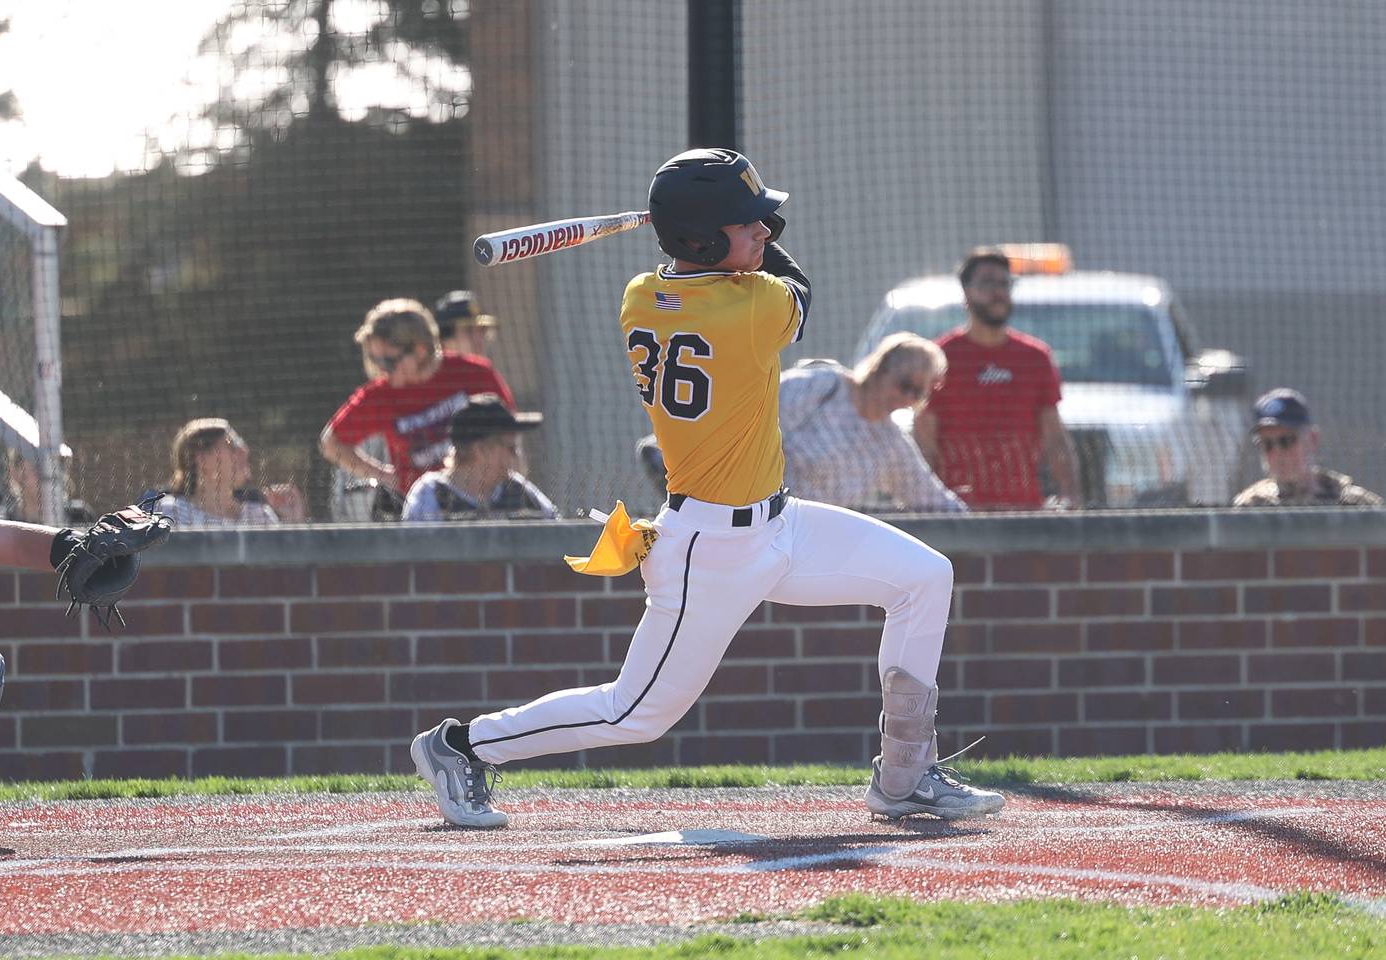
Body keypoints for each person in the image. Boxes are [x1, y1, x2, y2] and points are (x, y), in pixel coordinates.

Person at [409, 147, 1004, 829]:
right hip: (709, 549)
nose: (764, 233)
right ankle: (462, 746)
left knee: (925, 577)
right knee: (634, 714)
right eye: (747, 224)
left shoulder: (641, 297)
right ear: (699, 238)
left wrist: (723, 221)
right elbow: (795, 281)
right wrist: (737, 233)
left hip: (783, 525)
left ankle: (906, 775)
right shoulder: (750, 309)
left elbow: (734, 266)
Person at [636, 334, 967, 513]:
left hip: (812, 547)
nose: (907, 397)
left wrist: (985, 525)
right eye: (905, 384)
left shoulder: (891, 441)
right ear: (879, 368)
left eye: (919, 393)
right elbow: (741, 415)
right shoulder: (822, 388)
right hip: (750, 517)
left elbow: (928, 496)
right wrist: (676, 452)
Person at [914, 247, 1081, 510]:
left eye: (1005, 283)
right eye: (987, 283)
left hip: (1023, 515)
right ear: (966, 293)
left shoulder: (1034, 357)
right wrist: (930, 505)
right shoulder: (940, 358)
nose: (998, 292)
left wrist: (1071, 496)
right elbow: (924, 442)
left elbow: (1054, 437)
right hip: (959, 514)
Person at [320, 298, 515, 514]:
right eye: (375, 361)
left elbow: (511, 433)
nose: (382, 370)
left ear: (421, 350)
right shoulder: (380, 395)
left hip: (483, 502)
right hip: (421, 511)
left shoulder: (474, 374)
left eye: (389, 361)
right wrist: (385, 476)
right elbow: (332, 443)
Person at [402, 393, 557, 521]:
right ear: (482, 450)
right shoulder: (431, 494)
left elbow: (561, 536)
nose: (517, 456)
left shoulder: (521, 491)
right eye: (511, 448)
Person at [1232, 388, 1383, 507]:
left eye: (1286, 441)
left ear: (1312, 439)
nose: (1277, 452)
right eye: (1267, 444)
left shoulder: (1354, 504)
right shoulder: (1250, 507)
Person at [158, 419, 307, 527]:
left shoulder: (260, 515)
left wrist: (292, 523)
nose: (244, 450)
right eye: (231, 446)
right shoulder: (171, 513)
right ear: (202, 460)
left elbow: (282, 569)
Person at [0, 447, 94, 525]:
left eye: (56, 467)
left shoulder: (80, 516)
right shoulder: (4, 523)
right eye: (38, 468)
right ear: (14, 473)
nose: (49, 476)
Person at [433, 290, 499, 359]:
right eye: (468, 330)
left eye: (482, 330)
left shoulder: (485, 369)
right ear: (443, 338)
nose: (479, 338)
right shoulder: (428, 369)